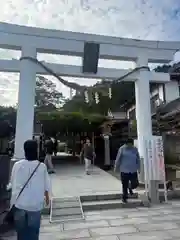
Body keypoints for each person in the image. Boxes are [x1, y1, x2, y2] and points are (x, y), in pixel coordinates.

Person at [9, 139, 51, 240]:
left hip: (19, 204)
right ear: (36, 150)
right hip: (35, 205)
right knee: (33, 234)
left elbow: (12, 183)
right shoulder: (42, 167)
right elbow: (46, 186)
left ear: (25, 150)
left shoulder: (17, 165)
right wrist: (47, 198)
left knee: (21, 234)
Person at [114, 138, 140, 203]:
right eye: (130, 144)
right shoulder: (122, 149)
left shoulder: (135, 149)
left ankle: (130, 187)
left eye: (132, 144)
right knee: (124, 185)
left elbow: (138, 159)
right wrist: (116, 167)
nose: (131, 146)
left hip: (133, 170)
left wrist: (139, 168)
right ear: (127, 144)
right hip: (124, 170)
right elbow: (118, 159)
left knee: (135, 184)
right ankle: (124, 198)